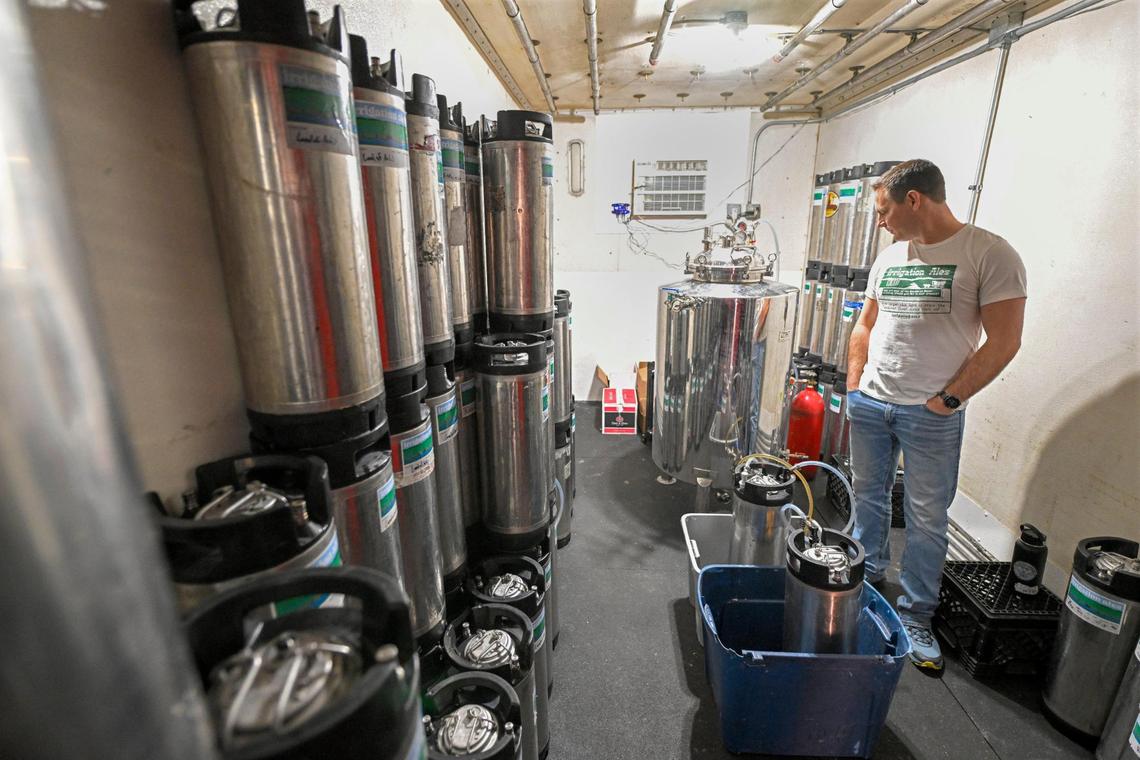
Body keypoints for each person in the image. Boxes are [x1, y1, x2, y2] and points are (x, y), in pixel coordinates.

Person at [845, 159, 1027, 673]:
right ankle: (865, 580)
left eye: (883, 211)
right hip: (872, 404)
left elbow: (1006, 341)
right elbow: (866, 324)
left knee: (927, 517)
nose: (881, 222)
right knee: (868, 498)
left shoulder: (988, 253)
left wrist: (948, 399)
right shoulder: (890, 257)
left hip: (931, 414)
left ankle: (916, 615)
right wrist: (855, 385)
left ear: (914, 200)